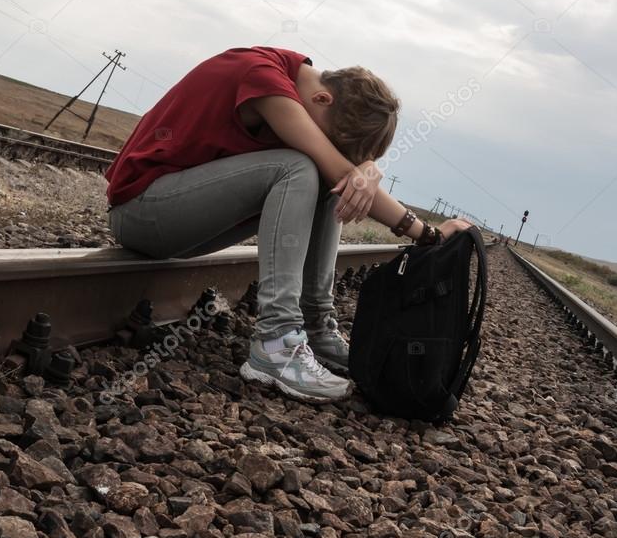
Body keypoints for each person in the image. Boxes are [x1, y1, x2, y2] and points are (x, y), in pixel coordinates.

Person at [105, 46, 471, 402]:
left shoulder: (298, 79)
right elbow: (334, 166)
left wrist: (366, 168)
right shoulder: (262, 77)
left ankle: (315, 326)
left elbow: (341, 172)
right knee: (301, 167)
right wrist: (429, 234)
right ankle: (276, 340)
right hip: (142, 212)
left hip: (182, 218)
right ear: (323, 100)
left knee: (328, 178)